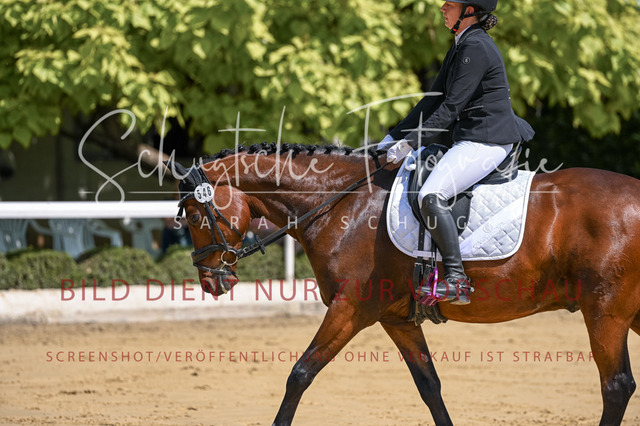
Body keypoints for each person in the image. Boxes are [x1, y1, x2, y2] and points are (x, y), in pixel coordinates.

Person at [381, 0, 534, 305]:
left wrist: (411, 142)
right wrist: (393, 136)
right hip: (474, 136)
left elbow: (451, 107)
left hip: (487, 140)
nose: (442, 8)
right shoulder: (461, 44)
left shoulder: (476, 46)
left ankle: (456, 279)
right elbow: (432, 100)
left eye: (449, 4)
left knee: (430, 195)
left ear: (469, 11)